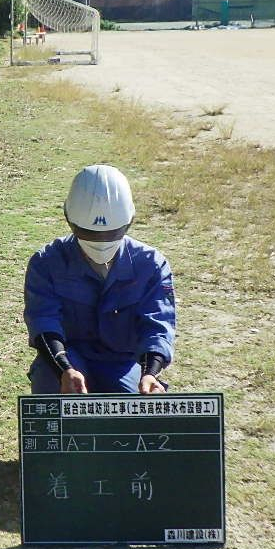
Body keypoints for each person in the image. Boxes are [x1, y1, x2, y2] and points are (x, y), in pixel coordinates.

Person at [24, 164, 175, 395]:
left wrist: (150, 372)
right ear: (69, 220)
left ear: (129, 222)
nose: (101, 243)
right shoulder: (47, 262)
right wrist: (63, 368)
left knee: (134, 406)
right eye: (89, 234)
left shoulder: (151, 265)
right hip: (69, 356)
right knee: (51, 384)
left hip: (122, 363)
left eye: (111, 234)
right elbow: (44, 322)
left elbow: (157, 326)